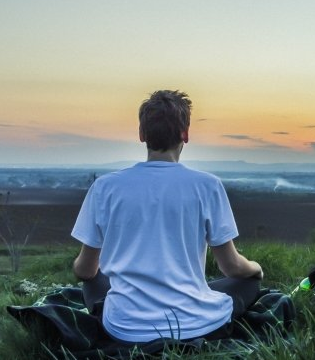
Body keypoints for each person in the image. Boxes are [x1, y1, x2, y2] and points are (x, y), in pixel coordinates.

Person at [71, 90, 263, 344]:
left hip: (124, 328)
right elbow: (231, 267)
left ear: (142, 135)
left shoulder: (105, 187)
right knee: (248, 283)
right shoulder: (207, 186)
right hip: (195, 325)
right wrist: (256, 269)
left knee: (93, 279)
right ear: (185, 134)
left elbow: (84, 270)